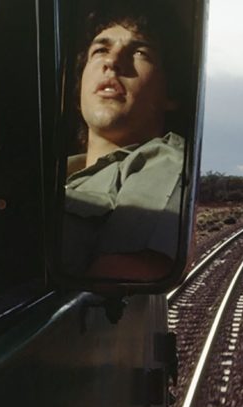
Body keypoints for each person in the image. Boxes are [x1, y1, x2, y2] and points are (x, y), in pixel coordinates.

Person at [63, 3, 186, 281]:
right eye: (100, 50)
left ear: (171, 93)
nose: (113, 61)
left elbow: (116, 275)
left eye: (140, 52)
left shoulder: (165, 160)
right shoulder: (51, 172)